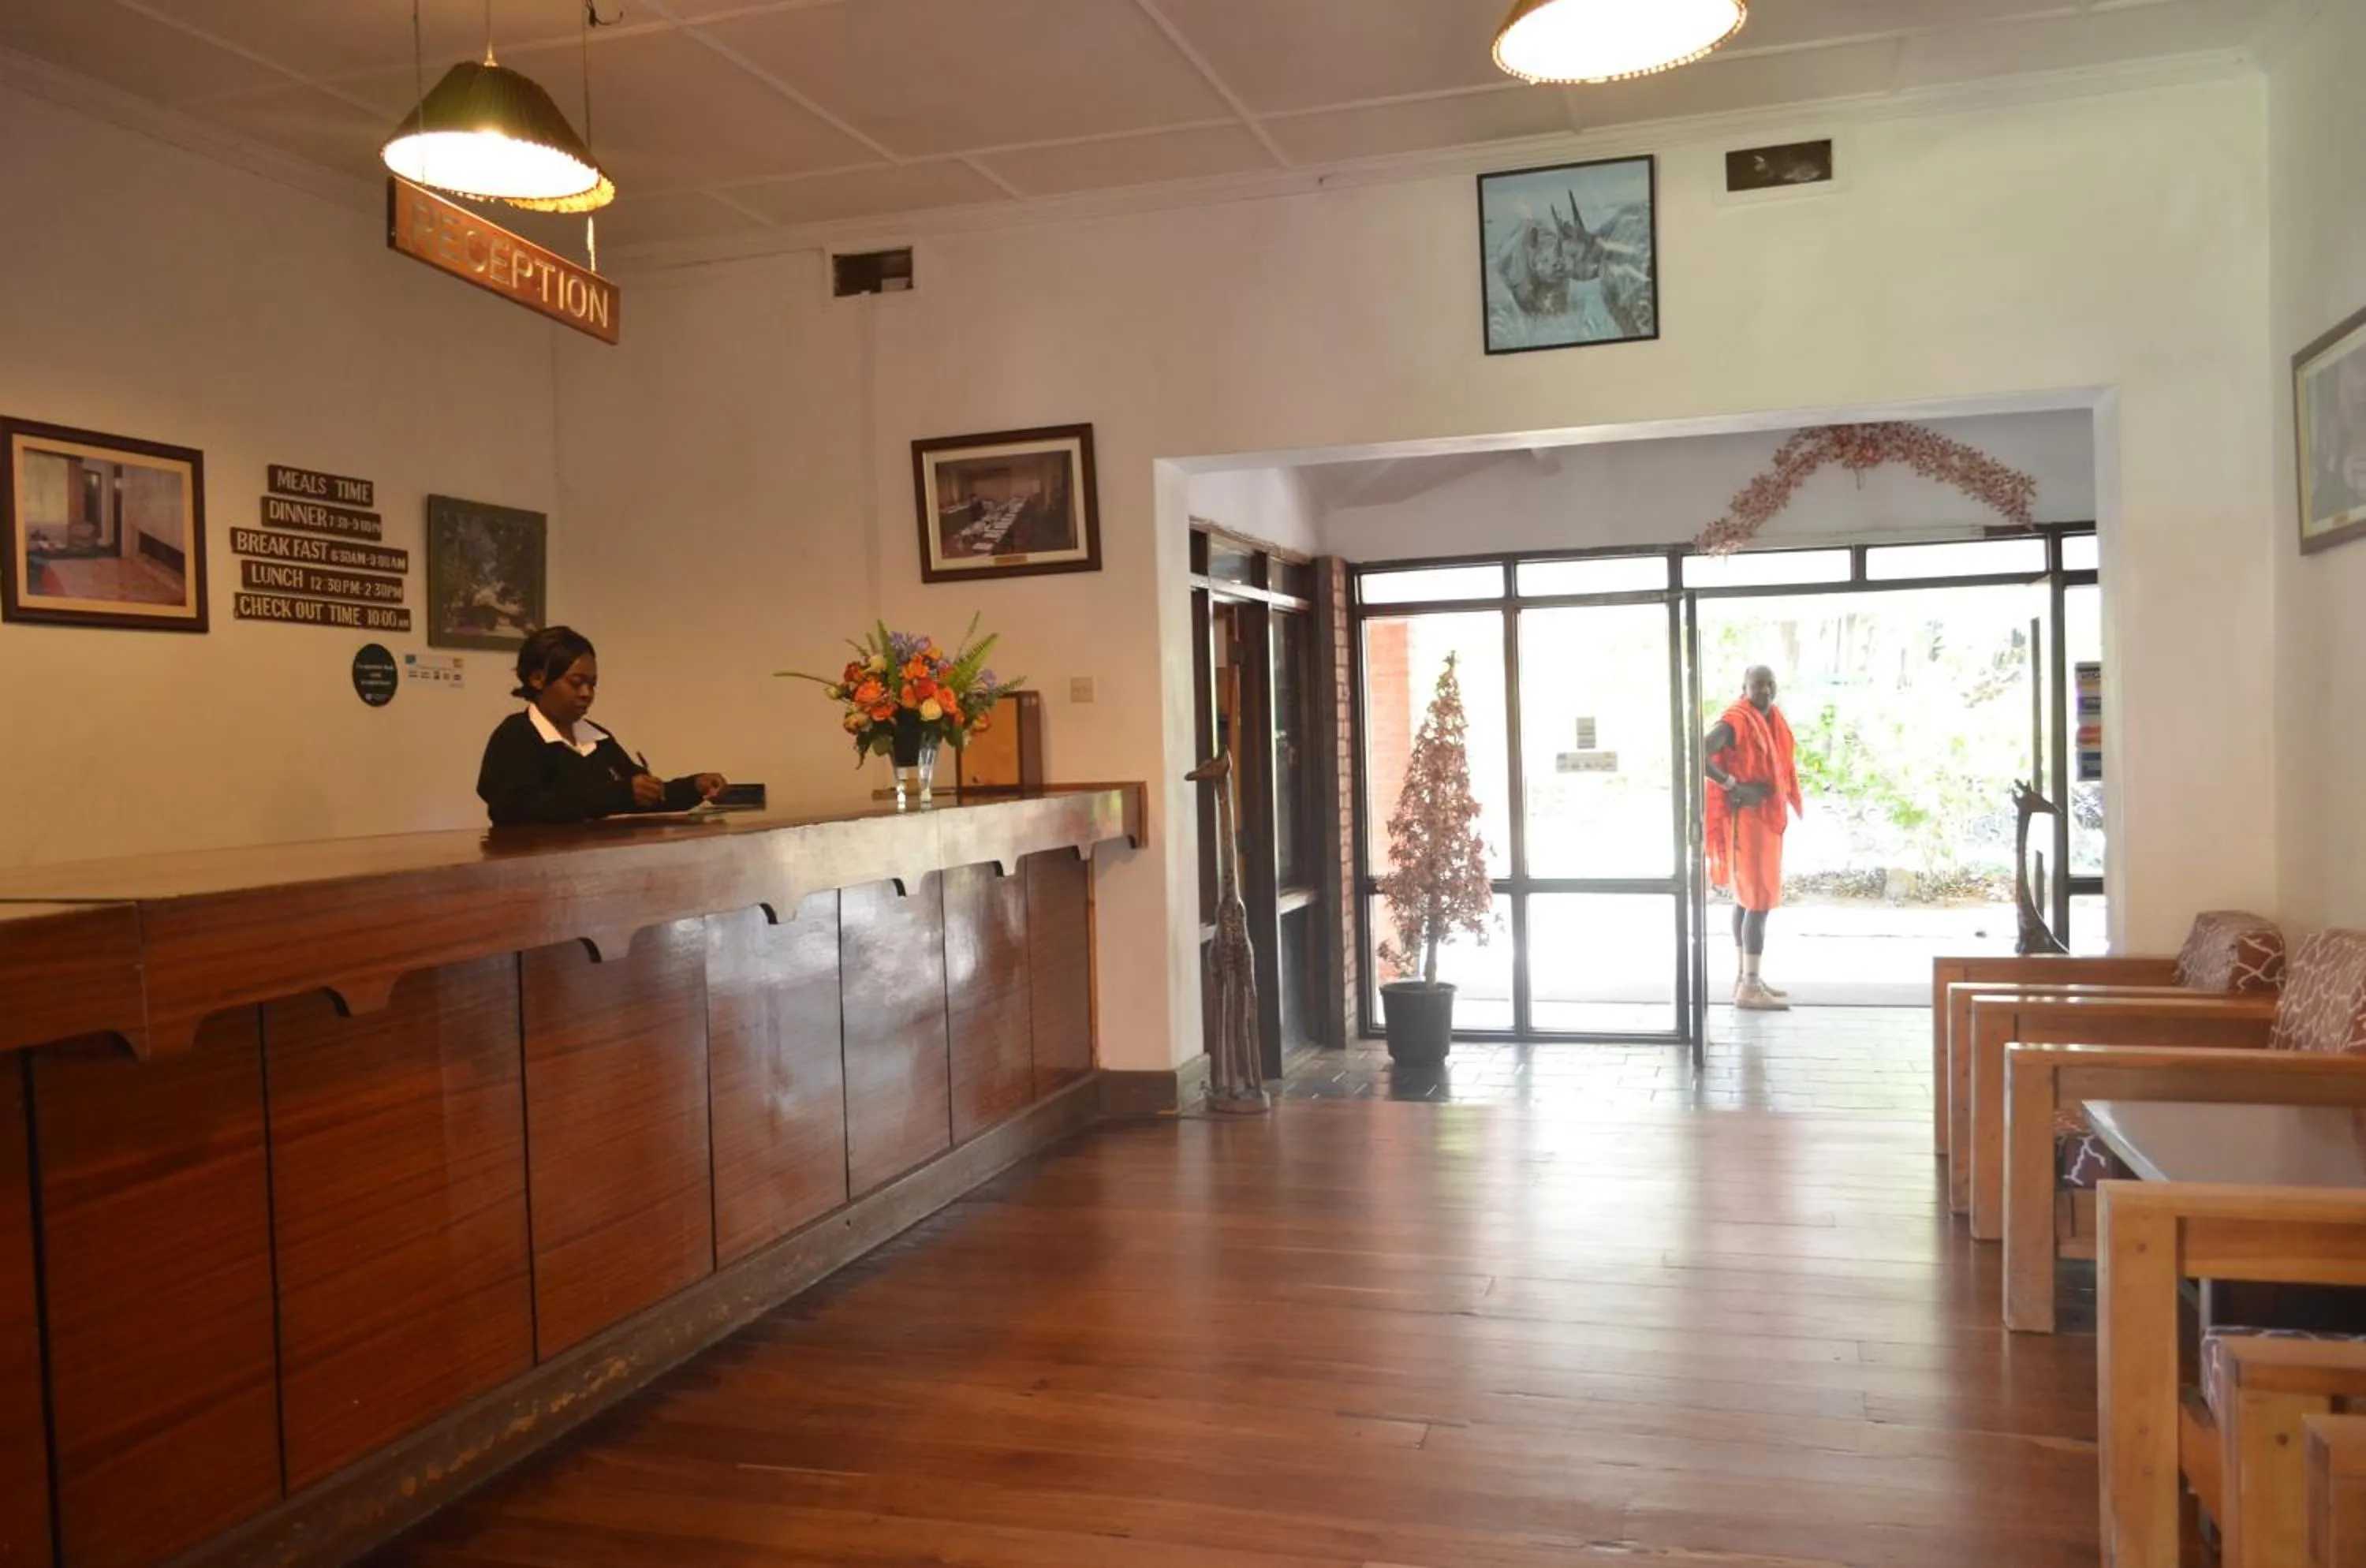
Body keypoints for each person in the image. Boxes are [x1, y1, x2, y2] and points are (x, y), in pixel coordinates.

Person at [476, 625, 726, 827]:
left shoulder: (597, 738)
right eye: (576, 682)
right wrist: (617, 795)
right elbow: (515, 809)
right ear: (538, 679)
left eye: (592, 684)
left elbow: (641, 795)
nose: (587, 693)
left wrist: (693, 787)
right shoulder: (516, 735)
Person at [1704, 665, 1803, 1011]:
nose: (1766, 690)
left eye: (1770, 683)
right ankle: (1749, 986)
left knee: (1746, 901)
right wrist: (1734, 785)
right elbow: (1700, 751)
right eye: (1758, 684)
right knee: (1757, 902)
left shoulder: (1771, 718)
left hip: (1765, 820)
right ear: (1744, 687)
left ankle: (1747, 977)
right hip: (1749, 821)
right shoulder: (1736, 719)